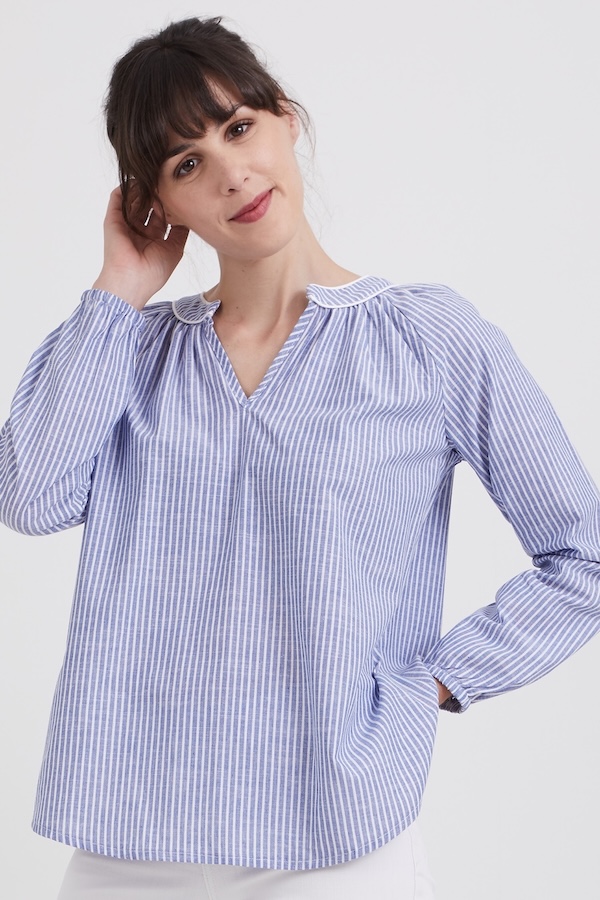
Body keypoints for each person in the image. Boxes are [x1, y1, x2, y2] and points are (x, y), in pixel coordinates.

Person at [1, 15, 599, 900]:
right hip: (126, 841)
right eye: (186, 164)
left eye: (239, 127)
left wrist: (431, 684)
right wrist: (120, 288)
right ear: (155, 203)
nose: (231, 172)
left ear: (286, 117)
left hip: (333, 843)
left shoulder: (425, 339)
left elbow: (583, 555)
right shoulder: (129, 348)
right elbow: (30, 496)